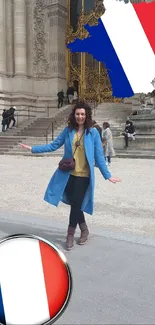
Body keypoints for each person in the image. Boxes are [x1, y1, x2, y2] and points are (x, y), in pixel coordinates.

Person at [19, 102, 121, 251]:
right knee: (75, 203)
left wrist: (108, 175)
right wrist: (33, 148)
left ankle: (70, 235)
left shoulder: (92, 133)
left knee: (76, 204)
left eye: (83, 114)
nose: (80, 116)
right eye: (78, 114)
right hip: (69, 175)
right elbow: (53, 145)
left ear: (87, 116)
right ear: (74, 115)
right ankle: (84, 229)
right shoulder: (68, 131)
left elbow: (99, 156)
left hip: (84, 176)